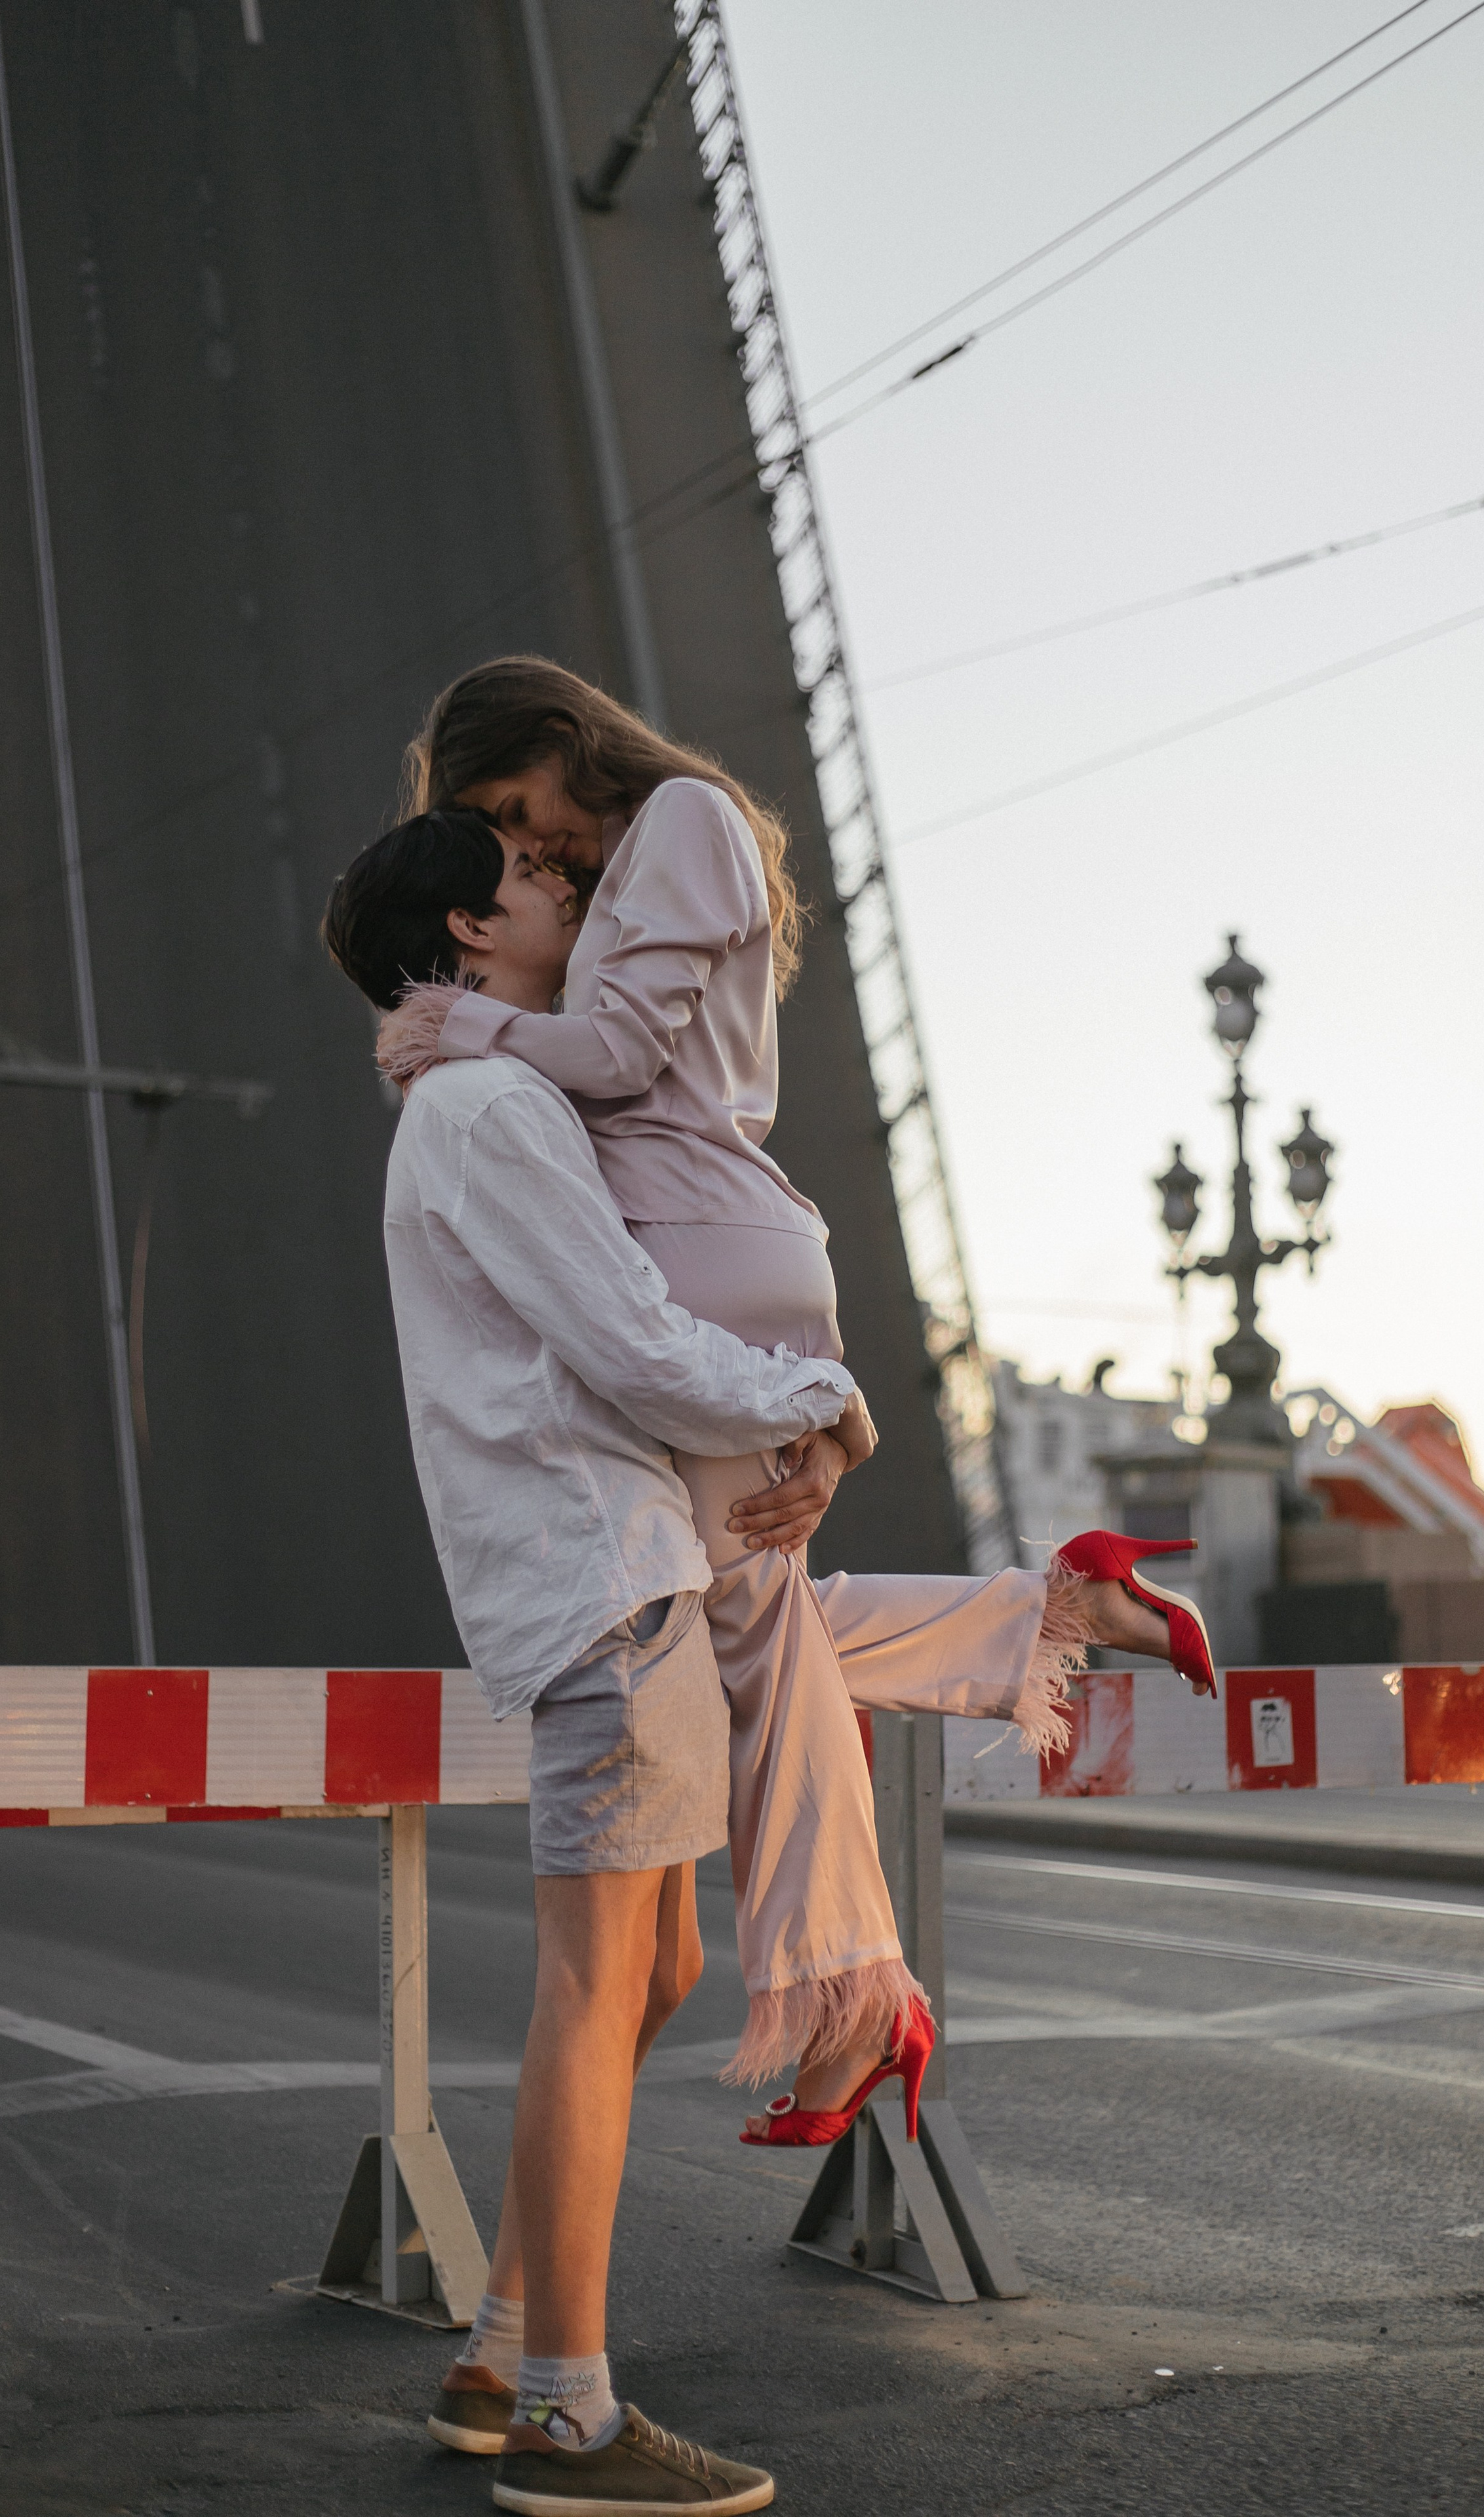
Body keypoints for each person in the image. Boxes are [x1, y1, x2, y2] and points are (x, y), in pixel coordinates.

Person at [374, 656, 1215, 2148]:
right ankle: (1059, 1612)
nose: (527, 845)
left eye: (512, 806)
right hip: (701, 1239)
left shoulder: (683, 818)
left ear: (566, 743)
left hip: (697, 1247)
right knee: (748, 1622)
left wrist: (459, 1025)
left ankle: (855, 2006)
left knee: (756, 1649)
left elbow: (620, 1059)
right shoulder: (634, 860)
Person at [324, 811, 875, 2510]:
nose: (561, 880)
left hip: (613, 1578)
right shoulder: (494, 1110)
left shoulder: (475, 1104)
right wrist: (820, 1399)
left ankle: (503, 2349)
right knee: (590, 1985)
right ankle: (567, 2417)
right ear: (467, 933)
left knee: (658, 1970)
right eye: (526, 873)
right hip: (602, 1576)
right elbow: (632, 1345)